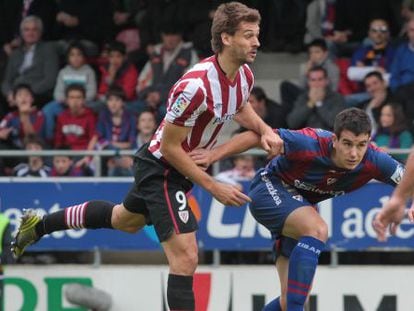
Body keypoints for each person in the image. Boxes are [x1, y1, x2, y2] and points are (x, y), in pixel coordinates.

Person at [11, 3, 283, 311]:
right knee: (186, 256)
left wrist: (264, 129)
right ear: (226, 38)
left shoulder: (244, 74)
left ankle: (38, 225)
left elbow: (241, 104)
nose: (257, 42)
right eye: (248, 35)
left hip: (179, 168)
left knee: (123, 220)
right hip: (162, 167)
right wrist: (213, 186)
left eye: (256, 35)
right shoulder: (194, 87)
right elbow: (169, 148)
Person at [191, 108, 404, 311]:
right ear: (334, 140)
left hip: (300, 205)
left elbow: (408, 180)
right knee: (317, 229)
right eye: (347, 144)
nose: (354, 153)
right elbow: (259, 136)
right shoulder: (309, 141)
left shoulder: (376, 160)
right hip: (269, 188)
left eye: (361, 145)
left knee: (292, 298)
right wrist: (213, 155)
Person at [286, 66, 345, 131]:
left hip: (329, 137)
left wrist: (318, 103)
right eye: (313, 80)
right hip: (306, 138)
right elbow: (292, 123)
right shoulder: (303, 97)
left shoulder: (336, 98)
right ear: (308, 82)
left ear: (326, 81)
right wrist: (311, 103)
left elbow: (334, 123)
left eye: (320, 79)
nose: (316, 84)